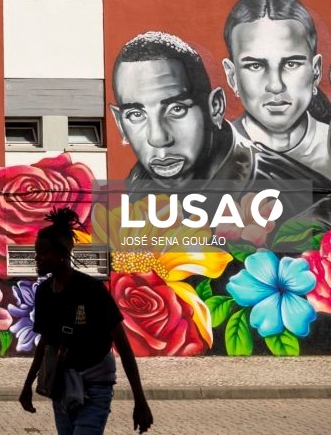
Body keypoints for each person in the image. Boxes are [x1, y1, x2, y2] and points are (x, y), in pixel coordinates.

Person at [110, 31, 331, 193]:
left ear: (215, 106)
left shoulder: (301, 201)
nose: (158, 138)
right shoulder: (132, 190)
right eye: (136, 115)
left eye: (176, 109)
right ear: (120, 124)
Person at [19, 207, 153, 435]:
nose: (37, 258)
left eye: (43, 252)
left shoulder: (91, 289)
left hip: (96, 383)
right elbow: (46, 342)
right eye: (36, 252)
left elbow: (123, 345)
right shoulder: (44, 292)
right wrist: (27, 385)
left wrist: (140, 400)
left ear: (62, 254)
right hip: (62, 383)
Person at [222, 0, 331, 178]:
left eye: (291, 64)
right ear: (232, 77)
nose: (275, 85)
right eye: (255, 65)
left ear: (316, 71)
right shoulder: (216, 156)